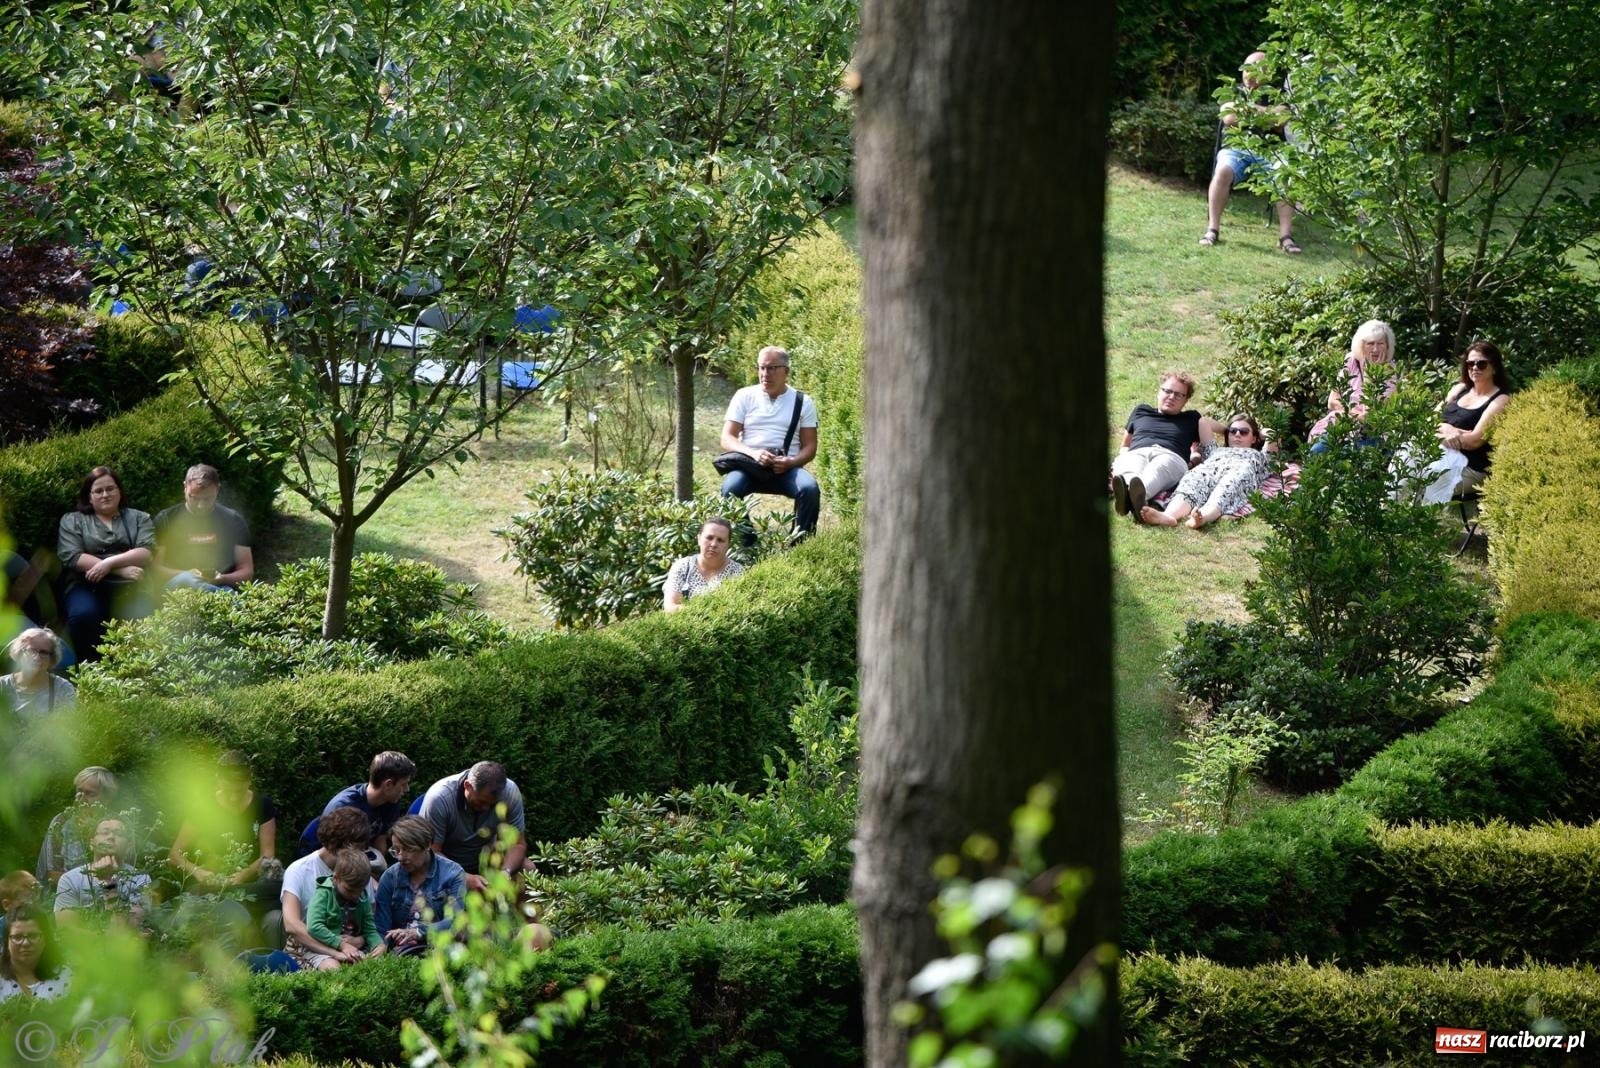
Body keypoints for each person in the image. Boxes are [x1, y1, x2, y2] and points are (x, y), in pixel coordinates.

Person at [167, 750, 281, 943]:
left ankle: (222, 901)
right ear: (218, 780)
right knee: (204, 893)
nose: (235, 797)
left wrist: (243, 874)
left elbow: (268, 856)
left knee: (280, 887)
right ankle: (222, 903)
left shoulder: (263, 805)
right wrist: (198, 871)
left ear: (249, 780)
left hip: (249, 884)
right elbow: (174, 854)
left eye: (240, 791)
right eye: (229, 791)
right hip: (212, 883)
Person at [1200, 51, 1300, 254]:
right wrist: (1265, 115)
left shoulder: (1277, 95)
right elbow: (1228, 116)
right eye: (1246, 69)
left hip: (1270, 151)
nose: (1248, 75)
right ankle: (1212, 229)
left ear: (1267, 74)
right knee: (1223, 171)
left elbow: (1281, 120)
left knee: (1286, 175)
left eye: (1254, 70)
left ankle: (1285, 236)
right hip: (1236, 149)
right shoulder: (1232, 91)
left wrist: (1245, 111)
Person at [719, 346, 821, 540]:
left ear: (786, 371)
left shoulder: (803, 401)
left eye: (772, 368)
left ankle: (800, 547)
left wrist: (791, 462)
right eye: (762, 368)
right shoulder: (744, 395)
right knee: (730, 488)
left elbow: (810, 447)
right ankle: (747, 544)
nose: (765, 374)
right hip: (749, 465)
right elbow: (727, 438)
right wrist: (753, 453)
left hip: (786, 468)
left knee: (809, 489)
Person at [57, 465, 155, 659]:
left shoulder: (139, 518)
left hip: (131, 586)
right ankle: (91, 670)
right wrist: (120, 570)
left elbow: (146, 552)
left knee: (144, 614)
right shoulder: (72, 521)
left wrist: (108, 564)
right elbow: (72, 556)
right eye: (98, 491)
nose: (105, 494)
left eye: (110, 489)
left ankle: (139, 671)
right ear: (89, 496)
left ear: (119, 491)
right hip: (85, 585)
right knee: (84, 615)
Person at [1111, 371, 1226, 521]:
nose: (1171, 397)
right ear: (1159, 391)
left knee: (1158, 468)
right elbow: (1125, 444)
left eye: (1178, 395)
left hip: (1171, 456)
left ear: (1186, 400)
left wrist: (1232, 429)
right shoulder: (1141, 411)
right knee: (1129, 467)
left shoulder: (1191, 418)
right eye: (1168, 391)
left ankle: (1135, 497)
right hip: (1137, 451)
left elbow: (1214, 427)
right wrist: (1123, 457)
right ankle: (1131, 495)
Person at [279, 806, 374, 970]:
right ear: (342, 844)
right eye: (359, 847)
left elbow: (370, 918)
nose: (363, 852)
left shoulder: (360, 871)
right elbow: (292, 925)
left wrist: (360, 940)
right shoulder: (299, 870)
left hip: (352, 947)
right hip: (307, 948)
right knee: (334, 970)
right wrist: (337, 949)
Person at [1140, 413, 1275, 528]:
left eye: (1244, 432)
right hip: (1209, 470)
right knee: (1192, 479)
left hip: (1239, 472)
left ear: (1254, 438)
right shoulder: (1215, 450)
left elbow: (1273, 435)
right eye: (1233, 431)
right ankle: (1168, 516)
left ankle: (1201, 518)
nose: (1237, 434)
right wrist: (1226, 430)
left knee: (1227, 486)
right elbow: (1204, 422)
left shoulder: (1261, 457)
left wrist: (1260, 432)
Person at [417, 762, 528, 893]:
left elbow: (518, 844)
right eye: (482, 802)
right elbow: (430, 853)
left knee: (527, 870)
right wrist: (463, 877)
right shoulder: (439, 798)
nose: (486, 808)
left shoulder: (510, 792)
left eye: (492, 804)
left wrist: (506, 872)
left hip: (486, 861)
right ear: (467, 786)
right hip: (447, 863)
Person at [154, 464, 255, 593]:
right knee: (188, 579)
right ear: (185, 487)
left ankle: (224, 598)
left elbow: (246, 571)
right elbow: (155, 569)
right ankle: (234, 603)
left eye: (207, 498)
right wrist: (187, 574)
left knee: (224, 589)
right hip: (176, 590)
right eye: (194, 498)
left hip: (221, 586)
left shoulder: (233, 520)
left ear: (217, 490)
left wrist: (222, 578)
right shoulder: (166, 519)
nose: (201, 505)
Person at [373, 815, 466, 956]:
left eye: (408, 849)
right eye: (396, 850)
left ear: (427, 845)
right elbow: (381, 926)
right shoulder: (390, 877)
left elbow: (455, 921)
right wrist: (381, 945)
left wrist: (418, 932)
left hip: (440, 945)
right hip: (401, 950)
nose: (401, 857)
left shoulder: (453, 873)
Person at [297, 751, 417, 859]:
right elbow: (334, 852)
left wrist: (379, 867)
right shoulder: (343, 808)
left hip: (360, 858)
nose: (407, 789)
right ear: (388, 785)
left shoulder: (391, 803)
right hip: (331, 861)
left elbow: (381, 839)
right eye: (403, 784)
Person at [53, 817, 154, 931]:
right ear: (91, 843)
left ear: (128, 846)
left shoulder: (140, 879)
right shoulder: (70, 879)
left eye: (119, 834)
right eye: (105, 832)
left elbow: (131, 930)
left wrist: (109, 884)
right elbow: (66, 933)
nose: (111, 837)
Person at [1437, 340, 1512, 493]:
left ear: (1495, 368)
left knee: (1422, 479)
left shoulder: (1501, 400)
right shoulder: (1459, 389)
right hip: (1441, 455)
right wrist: (1447, 429)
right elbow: (1430, 419)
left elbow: (1475, 440)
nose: (1475, 368)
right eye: (1470, 364)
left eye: (1481, 364)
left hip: (1470, 468)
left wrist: (1439, 435)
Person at [1309, 320, 1398, 443]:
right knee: (1318, 450)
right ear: (1361, 346)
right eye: (1370, 344)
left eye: (1380, 343)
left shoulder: (1391, 372)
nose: (1375, 349)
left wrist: (1369, 377)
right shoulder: (1352, 361)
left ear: (1387, 346)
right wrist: (1355, 416)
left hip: (1371, 434)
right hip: (1342, 424)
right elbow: (1332, 401)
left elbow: (1370, 417)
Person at [303, 848, 387, 969]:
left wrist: (379, 945)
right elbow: (314, 926)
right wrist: (341, 945)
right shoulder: (324, 894)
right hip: (322, 948)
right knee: (333, 968)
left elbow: (370, 930)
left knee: (373, 967)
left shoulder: (362, 897)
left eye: (360, 890)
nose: (355, 895)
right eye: (350, 890)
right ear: (336, 879)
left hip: (352, 949)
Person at [37, 766, 119, 887]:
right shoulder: (62, 821)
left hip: (109, 892)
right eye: (79, 792)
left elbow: (123, 870)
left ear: (107, 799)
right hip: (67, 894)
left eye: (90, 794)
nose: (82, 799)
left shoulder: (116, 825)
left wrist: (90, 834)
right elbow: (53, 874)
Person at [663, 517, 745, 612]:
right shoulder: (682, 567)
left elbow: (739, 611)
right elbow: (670, 607)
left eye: (720, 540)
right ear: (699, 539)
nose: (714, 544)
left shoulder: (738, 572)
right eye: (709, 538)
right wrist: (707, 612)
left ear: (728, 545)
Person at [0, 903, 70, 1003]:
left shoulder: (65, 977)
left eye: (33, 936)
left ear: (45, 939)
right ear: (7, 941)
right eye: (17, 937)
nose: (25, 943)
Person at [1, 627, 76, 717]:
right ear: (19, 653)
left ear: (52, 658)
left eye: (43, 652)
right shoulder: (2, 685)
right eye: (31, 651)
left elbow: (69, 728)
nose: (36, 657)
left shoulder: (63, 689)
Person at [0, 872, 40, 945]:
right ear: (7, 905)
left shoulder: (40, 924)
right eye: (26, 904)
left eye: (37, 902)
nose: (33, 908)